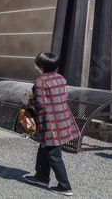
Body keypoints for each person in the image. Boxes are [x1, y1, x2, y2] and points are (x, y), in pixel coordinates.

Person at [22, 52, 79, 196]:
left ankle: (64, 186)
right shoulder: (61, 78)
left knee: (53, 153)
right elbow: (63, 96)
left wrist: (28, 101)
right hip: (62, 117)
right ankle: (41, 177)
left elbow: (40, 103)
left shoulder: (41, 81)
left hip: (49, 121)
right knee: (45, 146)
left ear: (39, 66)